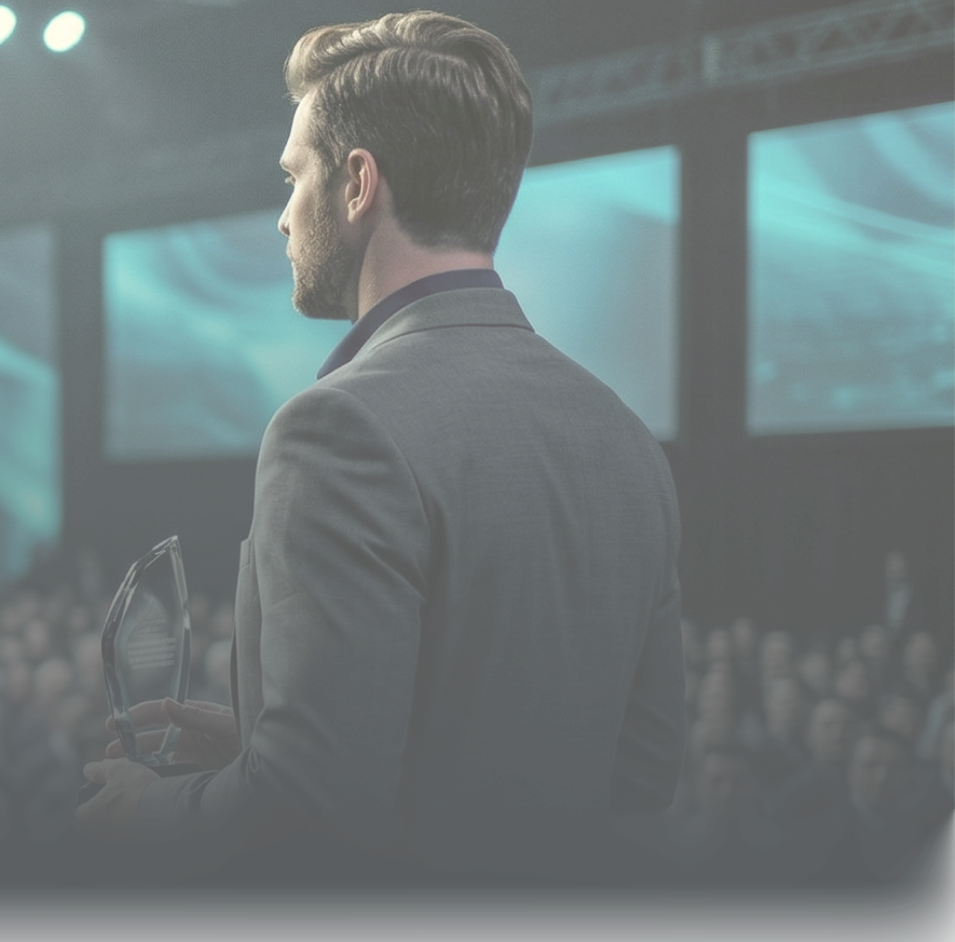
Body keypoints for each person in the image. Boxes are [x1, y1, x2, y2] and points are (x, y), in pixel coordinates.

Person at [78, 11, 686, 884]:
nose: (283, 218)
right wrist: (262, 751)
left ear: (358, 184)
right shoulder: (623, 436)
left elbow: (310, 812)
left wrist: (153, 808)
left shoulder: (337, 429)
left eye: (294, 177)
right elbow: (641, 774)